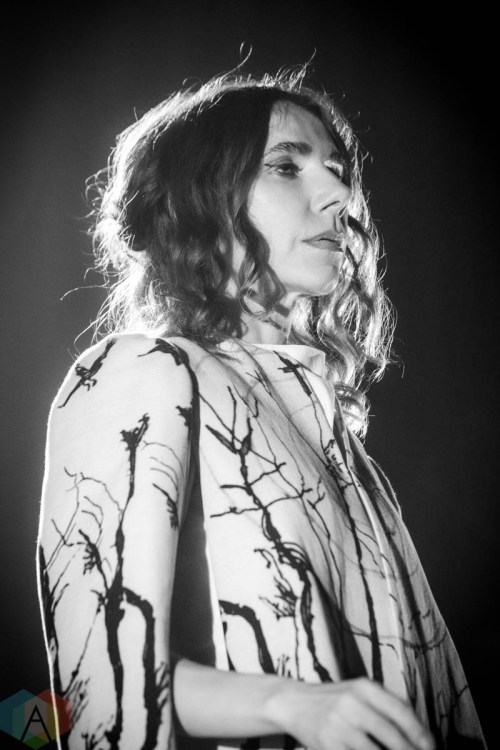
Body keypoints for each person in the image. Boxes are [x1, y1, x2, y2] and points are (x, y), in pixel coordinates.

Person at [36, 69, 486, 750]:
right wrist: (291, 704)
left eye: (339, 171)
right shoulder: (144, 371)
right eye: (286, 166)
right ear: (200, 196)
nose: (340, 194)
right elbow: (84, 696)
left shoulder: (346, 450)